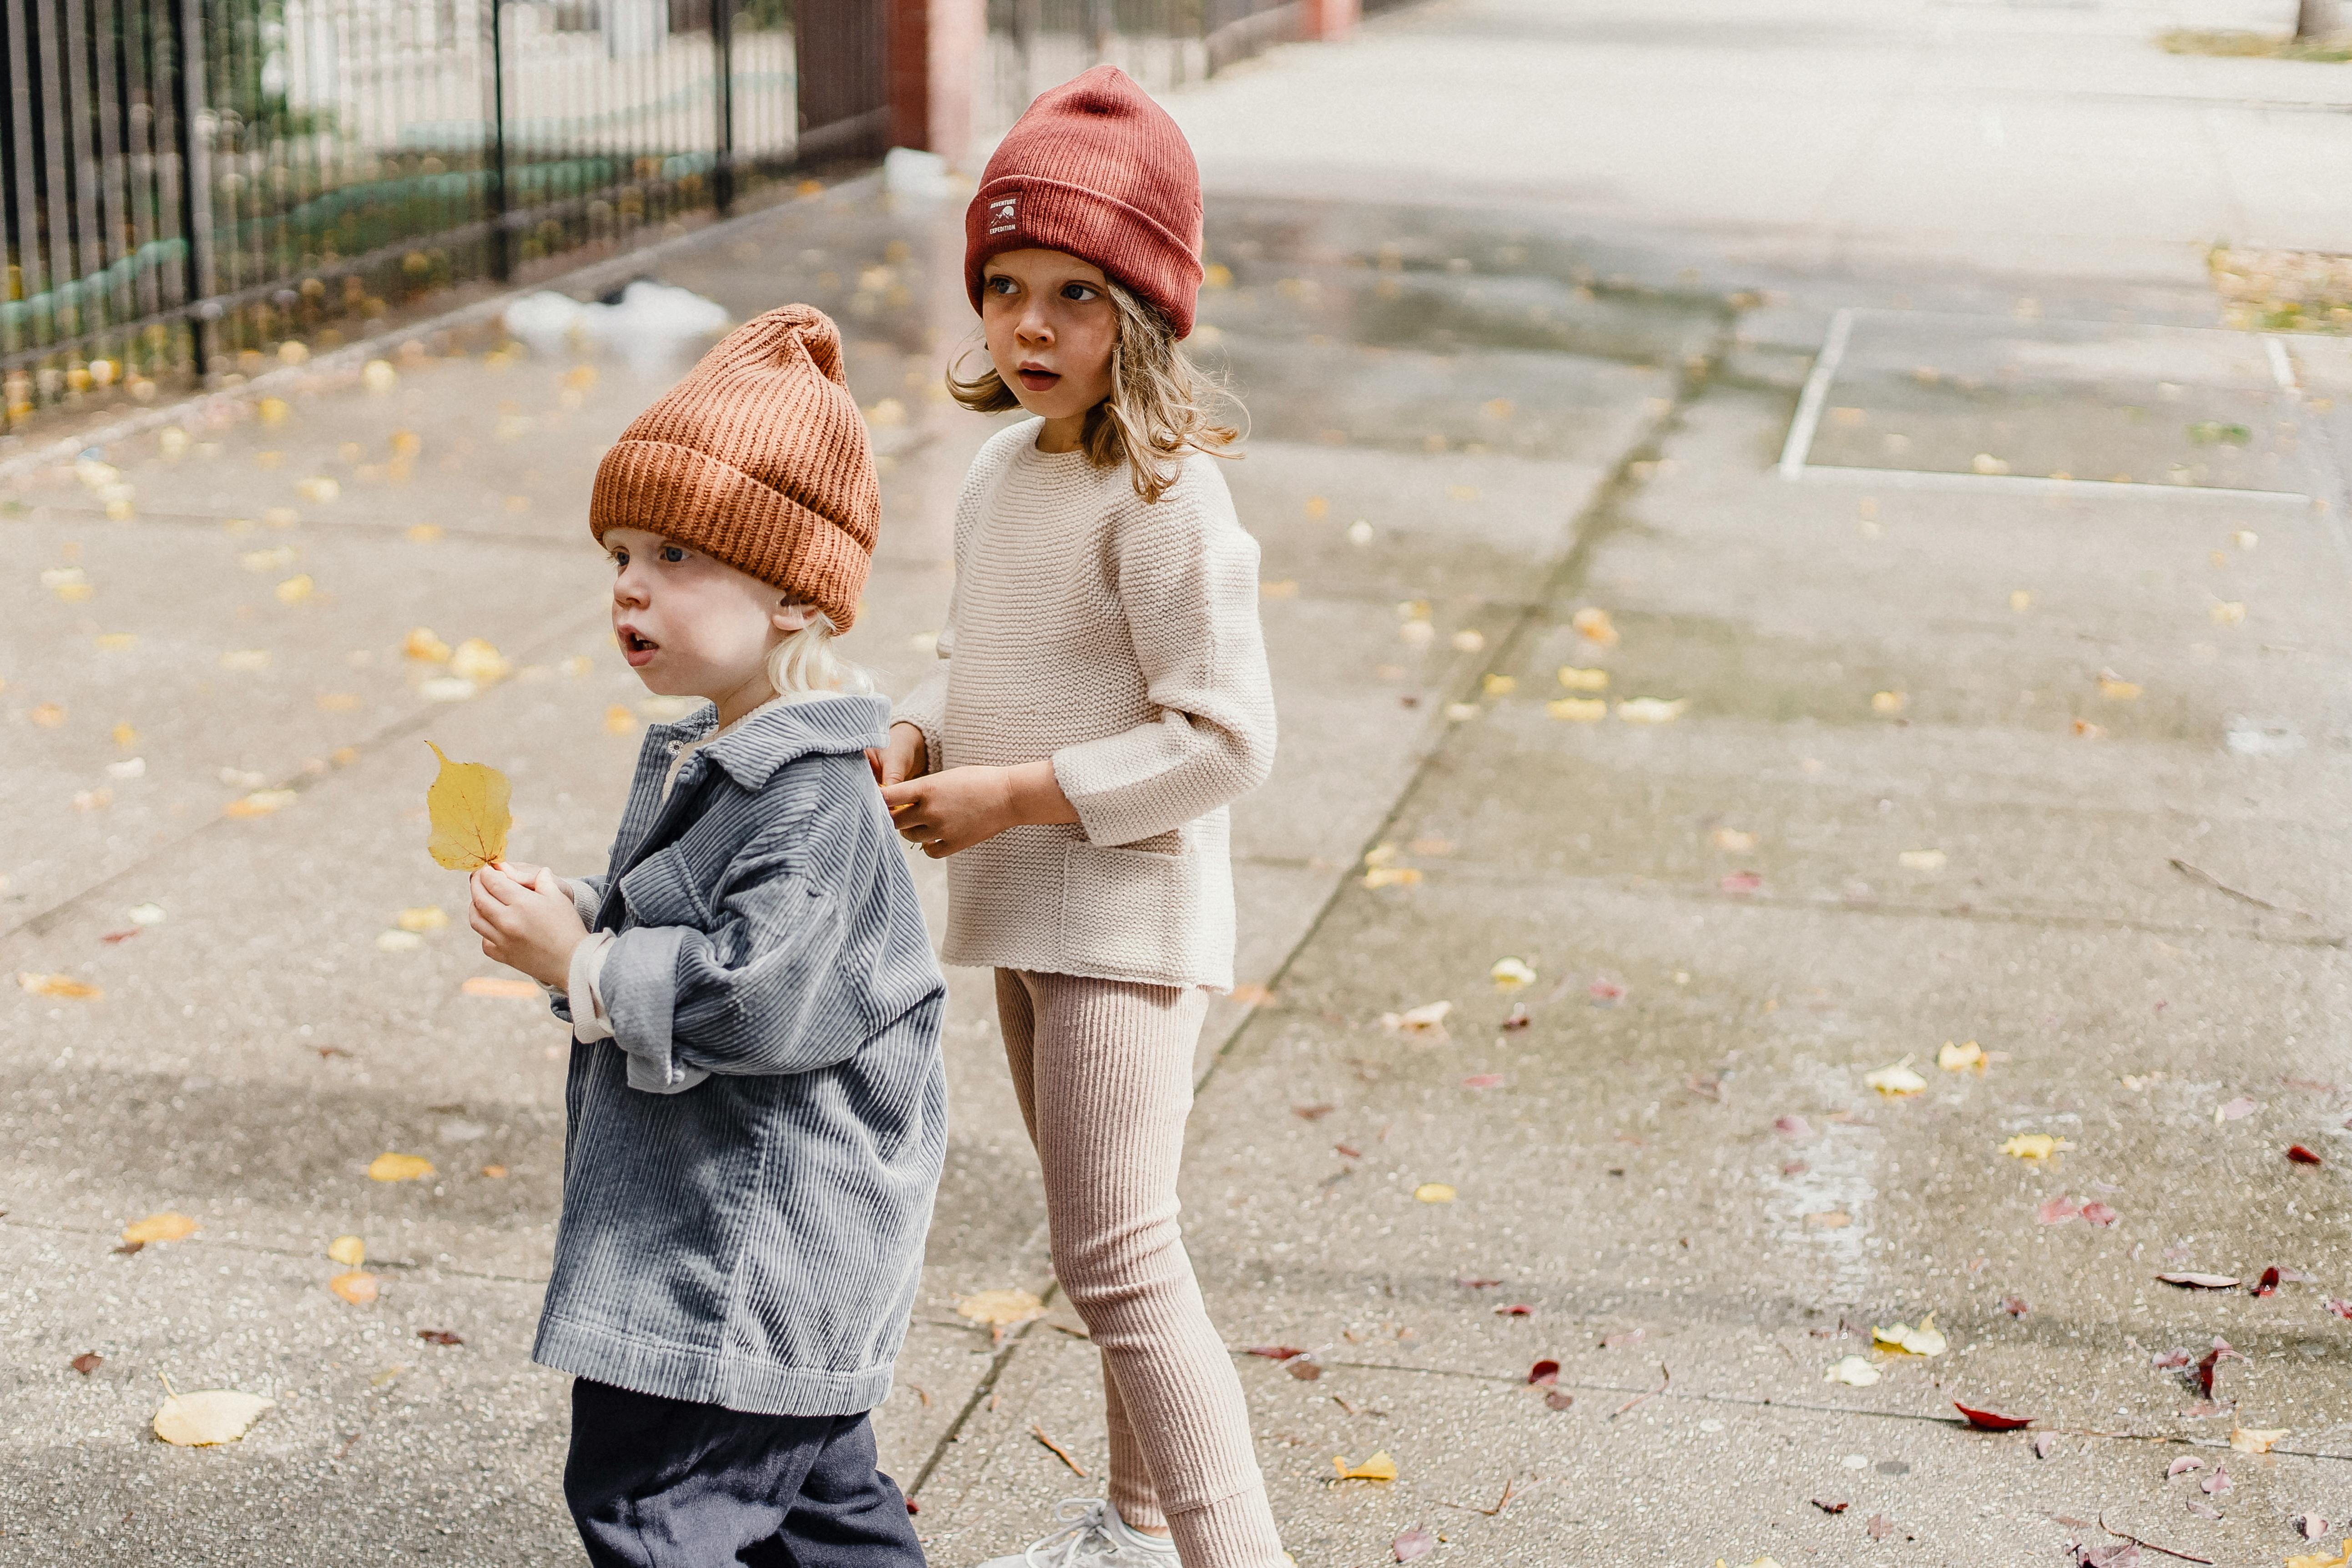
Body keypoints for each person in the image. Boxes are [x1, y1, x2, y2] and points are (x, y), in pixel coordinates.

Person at [875, 66, 1285, 1568]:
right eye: (1002, 286)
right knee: (1110, 1249)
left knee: (1119, 1262)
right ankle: (1127, 1530)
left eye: (1075, 294)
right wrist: (923, 722)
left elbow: (1226, 740)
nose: (1030, 327)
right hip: (1026, 906)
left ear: (1150, 312)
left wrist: (1022, 795)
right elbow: (993, 656)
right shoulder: (1001, 471)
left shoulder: (1165, 498)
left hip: (1120, 915)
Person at [465, 304, 944, 1568]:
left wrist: (575, 964)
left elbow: (752, 1002)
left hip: (741, 1255)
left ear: (795, 593)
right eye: (620, 551)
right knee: (817, 1511)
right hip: (765, 1255)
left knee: (652, 1507)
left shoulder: (811, 794)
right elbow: (693, 929)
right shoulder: (739, 762)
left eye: (676, 554)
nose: (628, 583)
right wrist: (578, 916)